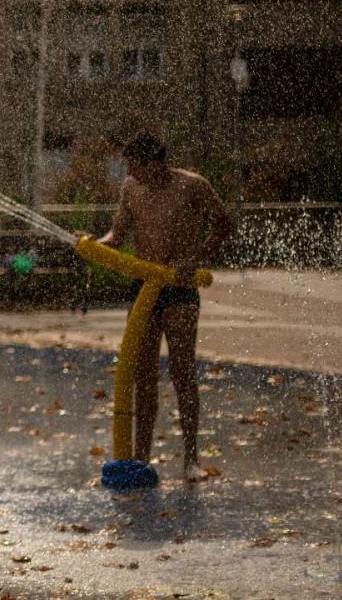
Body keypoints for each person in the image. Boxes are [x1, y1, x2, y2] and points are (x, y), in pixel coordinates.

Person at [99, 133, 233, 481]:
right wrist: (95, 245)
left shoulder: (192, 186)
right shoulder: (131, 188)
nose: (129, 172)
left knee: (182, 371)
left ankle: (191, 458)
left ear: (155, 163)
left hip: (179, 287)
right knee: (143, 375)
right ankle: (141, 458)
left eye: (135, 165)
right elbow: (117, 234)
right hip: (143, 286)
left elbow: (224, 225)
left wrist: (195, 259)